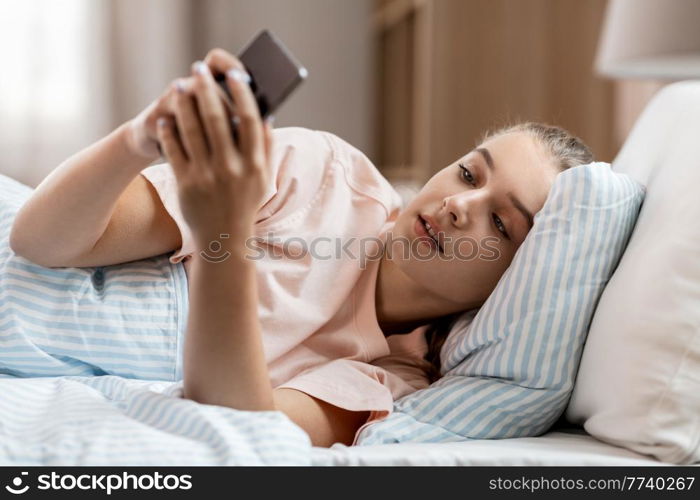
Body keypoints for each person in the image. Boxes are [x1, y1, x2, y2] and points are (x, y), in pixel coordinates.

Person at [8, 49, 593, 448]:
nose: (460, 207)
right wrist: (142, 137)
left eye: (501, 223)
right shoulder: (324, 174)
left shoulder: (392, 380)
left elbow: (237, 421)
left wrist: (224, 234)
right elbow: (40, 240)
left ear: (518, 280)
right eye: (469, 175)